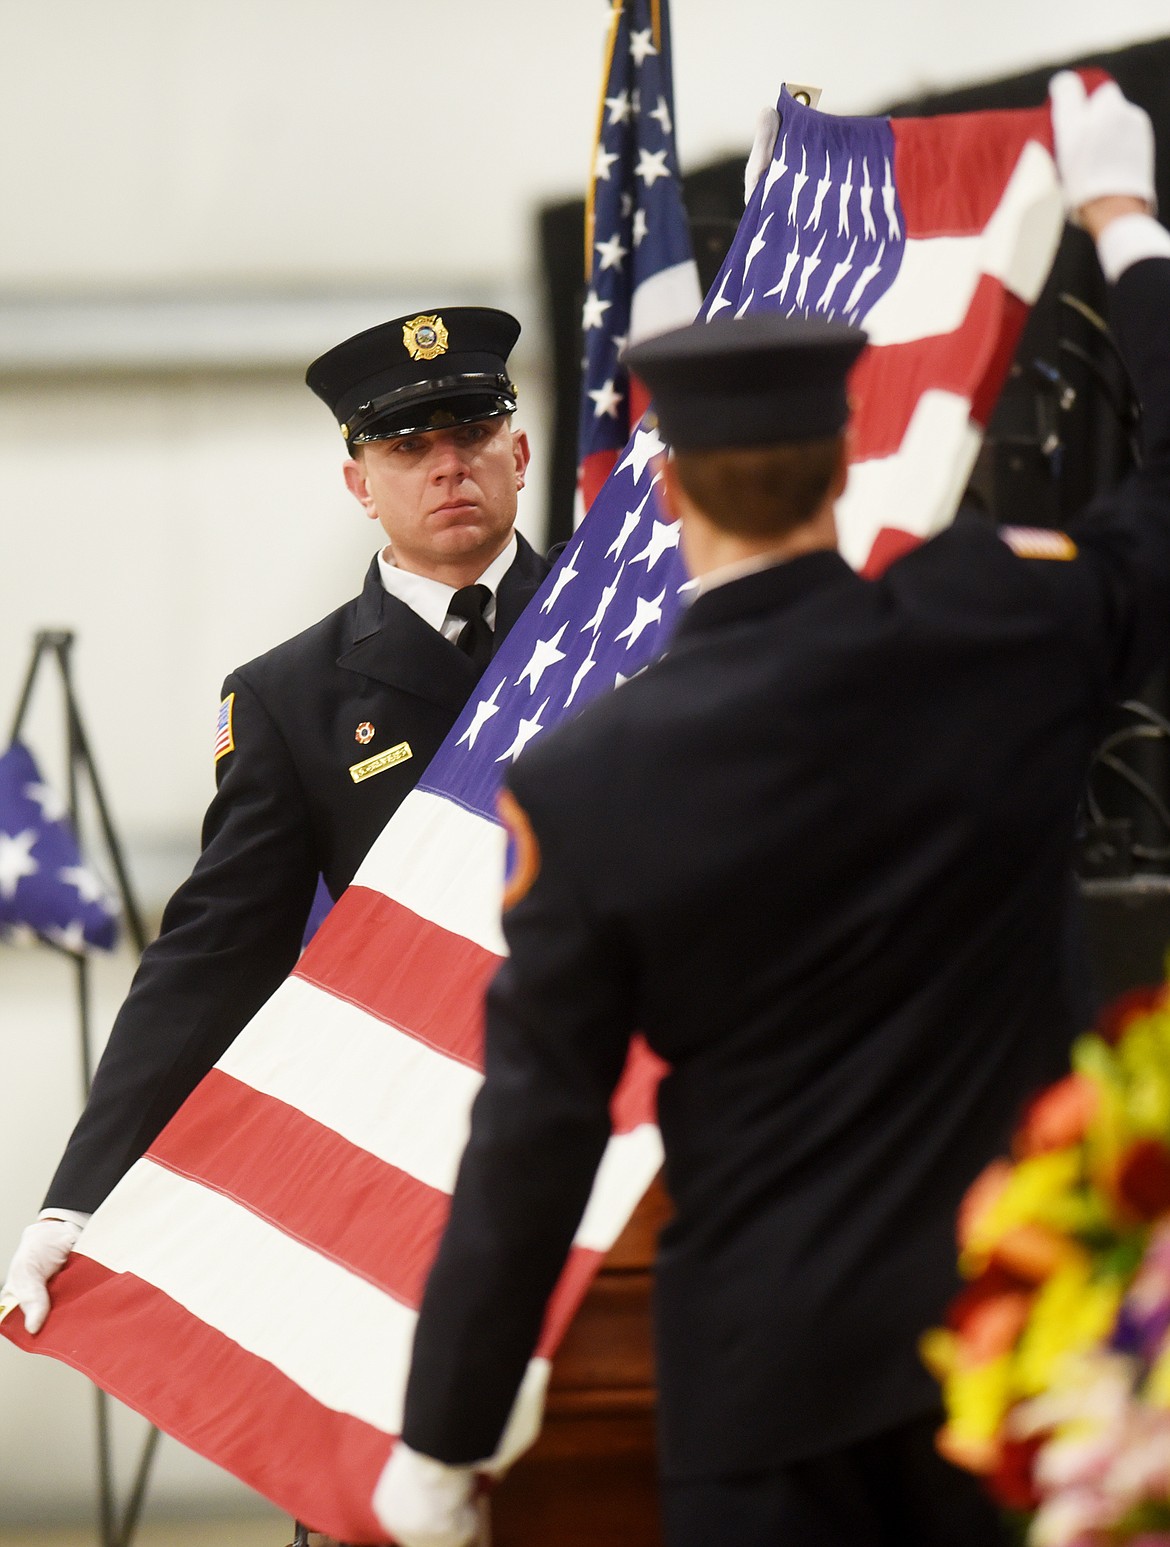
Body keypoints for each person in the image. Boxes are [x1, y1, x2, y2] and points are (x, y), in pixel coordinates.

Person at [373, 78, 1170, 1547]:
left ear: (670, 493)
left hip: (762, 1388)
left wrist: (443, 1433)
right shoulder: (1000, 624)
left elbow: (536, 1137)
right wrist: (1127, 230)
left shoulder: (588, 779)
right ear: (841, 455)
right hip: (1011, 1350)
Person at [1, 307, 549, 1334]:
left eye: (471, 432)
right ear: (358, 483)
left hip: (618, 1103)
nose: (448, 466)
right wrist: (78, 1188)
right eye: (406, 445)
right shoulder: (291, 697)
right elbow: (214, 951)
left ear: (517, 450)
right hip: (414, 1130)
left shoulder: (616, 622)